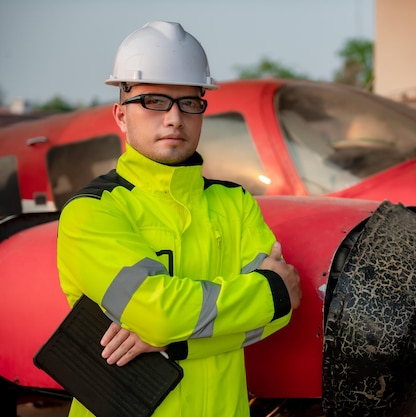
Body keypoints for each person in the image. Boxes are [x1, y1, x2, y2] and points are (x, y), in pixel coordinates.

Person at [57, 20, 302, 417]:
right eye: (154, 101)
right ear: (121, 116)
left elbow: (277, 317)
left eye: (189, 102)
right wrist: (267, 292)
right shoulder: (91, 210)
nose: (174, 118)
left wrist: (173, 344)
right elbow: (159, 313)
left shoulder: (234, 202)